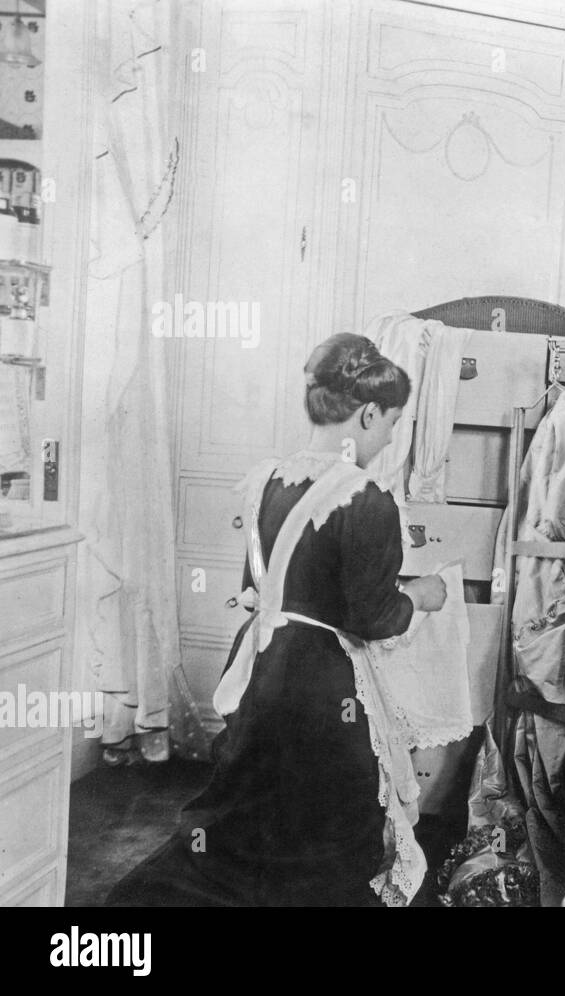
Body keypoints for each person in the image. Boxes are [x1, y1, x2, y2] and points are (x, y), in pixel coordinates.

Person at [107, 333, 448, 906]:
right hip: (324, 683)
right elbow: (372, 617)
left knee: (252, 804)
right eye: (392, 422)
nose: (391, 436)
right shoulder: (369, 498)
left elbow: (259, 588)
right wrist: (425, 596)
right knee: (327, 816)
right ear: (368, 414)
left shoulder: (268, 479)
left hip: (262, 663)